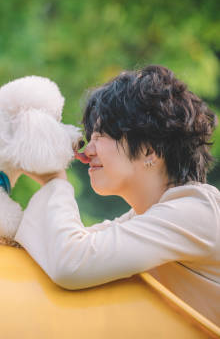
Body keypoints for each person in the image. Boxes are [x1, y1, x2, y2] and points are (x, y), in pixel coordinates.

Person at [15, 65, 220, 325]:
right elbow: (61, 244)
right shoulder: (151, 216)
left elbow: (72, 262)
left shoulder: (197, 212)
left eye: (100, 136)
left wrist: (54, 180)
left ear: (149, 151)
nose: (86, 151)